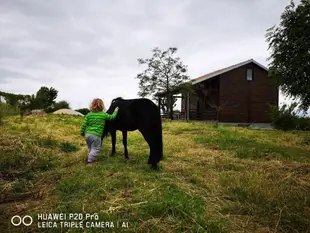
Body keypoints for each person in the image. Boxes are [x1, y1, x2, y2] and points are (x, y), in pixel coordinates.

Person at [80, 98, 119, 166]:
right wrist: (115, 111)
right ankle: (90, 162)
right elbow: (112, 117)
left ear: (92, 105)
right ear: (102, 106)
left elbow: (84, 125)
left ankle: (92, 159)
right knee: (96, 148)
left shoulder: (89, 115)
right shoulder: (103, 114)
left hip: (88, 135)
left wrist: (82, 132)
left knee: (90, 148)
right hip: (96, 135)